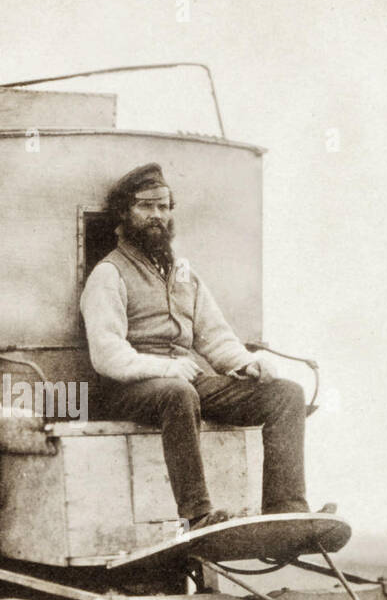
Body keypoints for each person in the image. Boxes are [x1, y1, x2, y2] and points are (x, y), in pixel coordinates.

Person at [79, 162, 324, 531]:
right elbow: (107, 353)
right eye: (146, 207)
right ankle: (198, 516)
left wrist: (245, 363)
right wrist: (163, 368)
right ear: (124, 214)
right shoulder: (108, 274)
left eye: (163, 207)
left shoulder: (183, 274)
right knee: (178, 393)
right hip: (126, 388)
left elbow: (215, 335)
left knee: (286, 394)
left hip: (183, 381)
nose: (157, 216)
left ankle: (285, 510)